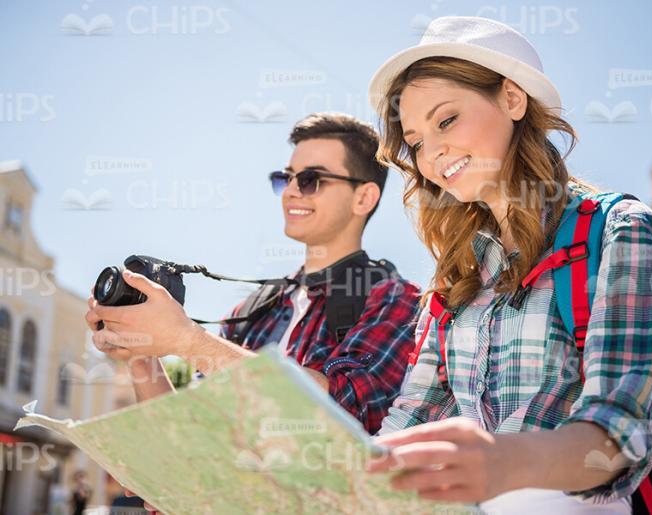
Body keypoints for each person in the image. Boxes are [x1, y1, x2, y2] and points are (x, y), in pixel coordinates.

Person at [365, 16, 652, 513]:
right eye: (417, 141)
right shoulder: (454, 281)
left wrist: (505, 463)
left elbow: (619, 435)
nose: (433, 153)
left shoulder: (620, 228)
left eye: (446, 120)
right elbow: (407, 423)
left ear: (513, 100)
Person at [85, 112, 421, 436]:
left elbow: (342, 418)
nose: (291, 191)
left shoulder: (398, 300)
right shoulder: (251, 310)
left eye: (310, 180)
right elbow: (193, 439)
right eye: (285, 177)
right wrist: (143, 354)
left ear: (363, 197)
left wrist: (186, 339)